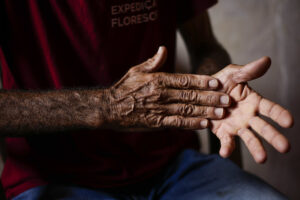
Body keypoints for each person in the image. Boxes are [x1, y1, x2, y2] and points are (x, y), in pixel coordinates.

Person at [0, 0, 293, 199]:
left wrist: (213, 92)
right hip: (54, 178)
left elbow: (206, 47)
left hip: (174, 167)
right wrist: (106, 106)